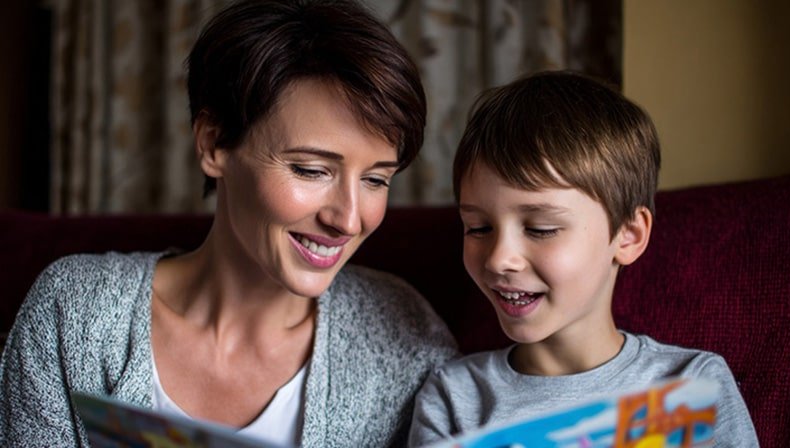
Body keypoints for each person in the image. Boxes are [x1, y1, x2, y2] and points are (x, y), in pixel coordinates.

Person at [0, 1, 458, 446]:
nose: (349, 219)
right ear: (215, 144)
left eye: (376, 179)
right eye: (312, 170)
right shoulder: (72, 310)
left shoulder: (405, 336)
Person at [407, 71, 759, 447]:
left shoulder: (693, 385)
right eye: (478, 228)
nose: (499, 259)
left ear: (629, 235)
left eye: (541, 228)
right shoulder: (455, 396)